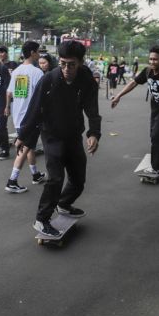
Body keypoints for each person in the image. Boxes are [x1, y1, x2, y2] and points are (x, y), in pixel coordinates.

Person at [16, 41, 101, 237]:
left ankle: (63, 203)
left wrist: (94, 133)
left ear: (80, 62)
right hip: (52, 134)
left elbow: (92, 108)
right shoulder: (50, 79)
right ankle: (42, 219)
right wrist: (23, 136)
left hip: (73, 134)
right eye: (62, 63)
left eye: (71, 64)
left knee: (78, 179)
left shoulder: (86, 78)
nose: (66, 69)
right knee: (55, 178)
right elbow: (34, 109)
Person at [111, 45, 159, 178]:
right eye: (151, 59)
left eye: (156, 59)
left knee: (157, 137)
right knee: (156, 135)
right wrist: (119, 96)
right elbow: (133, 83)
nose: (152, 62)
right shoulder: (147, 71)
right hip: (155, 109)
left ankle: (158, 168)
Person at [4, 41, 46, 193]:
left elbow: (9, 93)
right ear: (33, 52)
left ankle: (35, 174)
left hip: (18, 115)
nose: (39, 54)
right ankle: (12, 181)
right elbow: (40, 98)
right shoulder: (37, 73)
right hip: (31, 118)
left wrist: (7, 107)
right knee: (24, 147)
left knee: (30, 146)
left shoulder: (16, 71)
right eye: (38, 51)